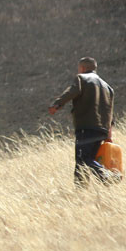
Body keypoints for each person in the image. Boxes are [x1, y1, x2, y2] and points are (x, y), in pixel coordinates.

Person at [47, 57, 116, 186]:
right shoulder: (108, 87)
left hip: (86, 126)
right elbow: (110, 111)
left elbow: (71, 92)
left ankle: (107, 175)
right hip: (102, 130)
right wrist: (109, 134)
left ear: (82, 68)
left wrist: (56, 104)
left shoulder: (82, 79)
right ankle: (80, 191)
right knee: (84, 160)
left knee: (83, 158)